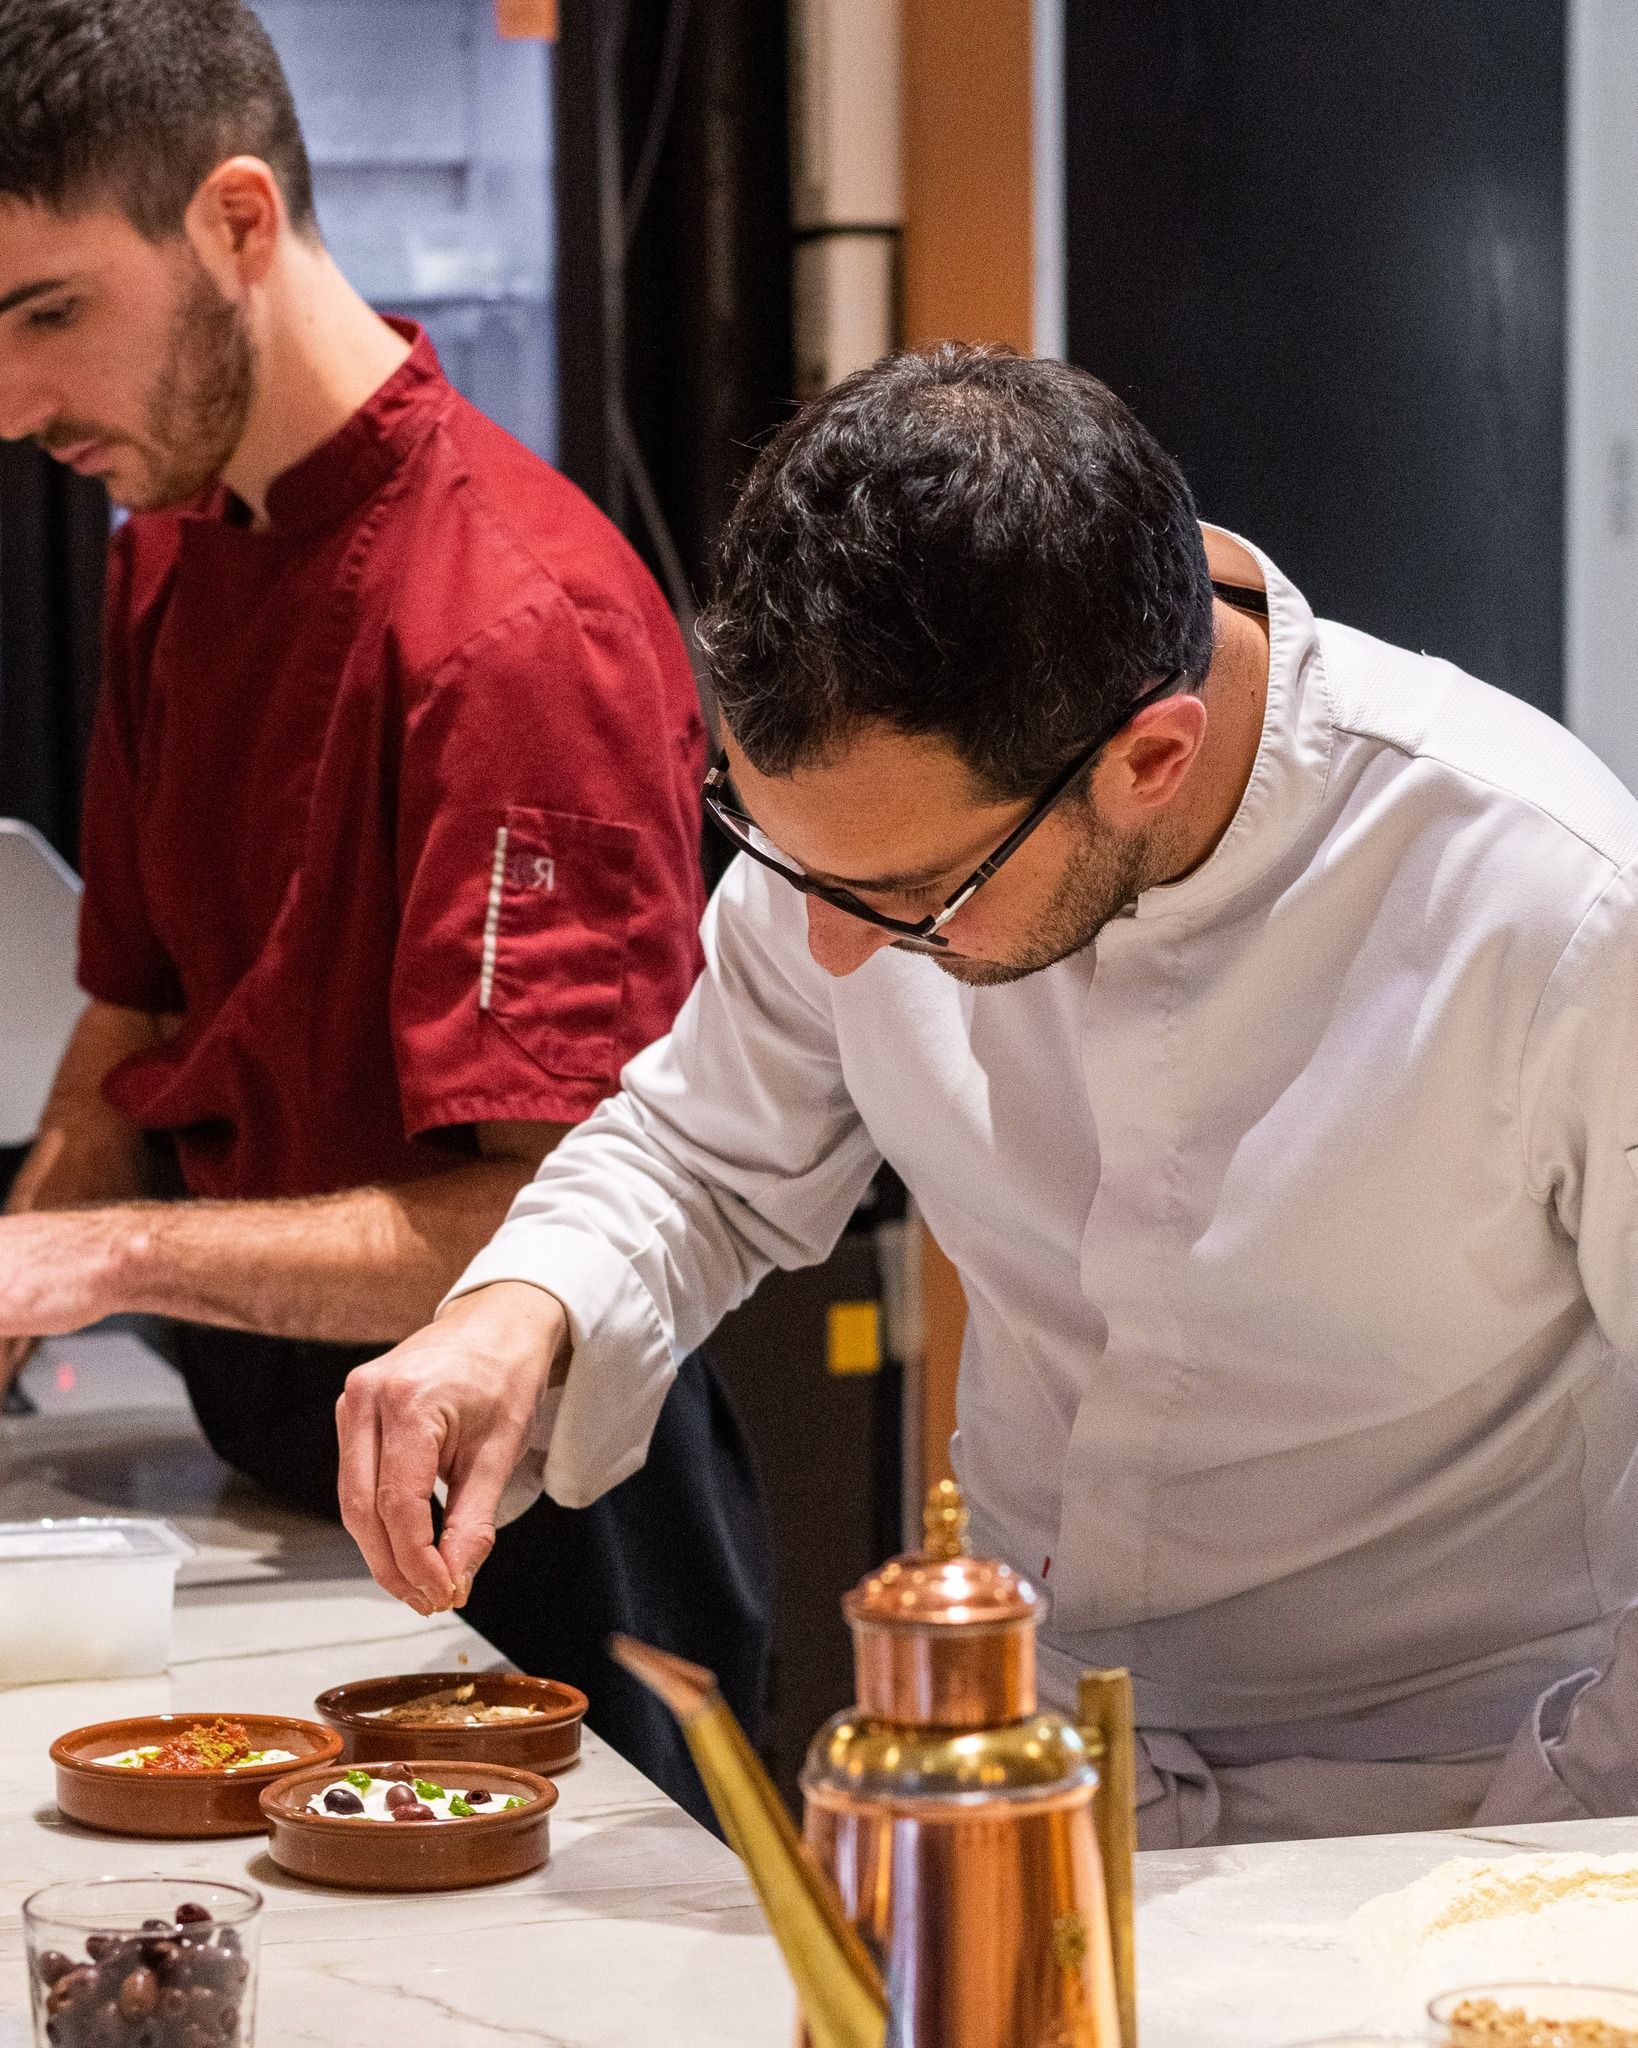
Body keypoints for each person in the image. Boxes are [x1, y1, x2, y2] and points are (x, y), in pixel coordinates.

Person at [339, 343, 1638, 1847]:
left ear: (1151, 758)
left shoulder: (1555, 902)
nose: (832, 943)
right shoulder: (863, 831)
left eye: (902, 897)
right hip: (1018, 1750)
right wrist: (521, 1307)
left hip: (1433, 1792)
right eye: (787, 867)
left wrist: (1575, 1819)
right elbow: (699, 1153)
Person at [0, 0, 772, 1826]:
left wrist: (94, 1264)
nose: (15, 404)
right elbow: (133, 1014)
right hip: (287, 1467)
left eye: (49, 315)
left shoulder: (515, 627)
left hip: (543, 1538)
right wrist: (24, 1273)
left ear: (240, 223)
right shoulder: (170, 553)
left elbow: (543, 1217)